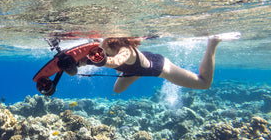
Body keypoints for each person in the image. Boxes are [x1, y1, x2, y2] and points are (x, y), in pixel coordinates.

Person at [87, 36, 222, 93]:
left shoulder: (125, 50)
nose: (100, 50)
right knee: (116, 90)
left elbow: (115, 61)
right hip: (134, 68)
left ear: (113, 42)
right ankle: (135, 72)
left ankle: (213, 43)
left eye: (104, 49)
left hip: (158, 66)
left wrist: (100, 60)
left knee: (204, 84)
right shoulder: (105, 48)